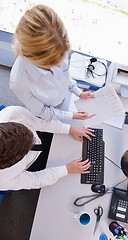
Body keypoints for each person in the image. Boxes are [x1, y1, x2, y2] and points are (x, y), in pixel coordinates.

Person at [10, 4, 95, 142]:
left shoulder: (58, 48)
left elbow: (66, 78)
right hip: (46, 116)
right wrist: (71, 116)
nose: (59, 65)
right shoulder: (19, 82)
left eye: (61, 59)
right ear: (34, 58)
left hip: (64, 103)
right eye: (51, 63)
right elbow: (43, 113)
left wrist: (78, 92)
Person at [0, 106, 91, 190]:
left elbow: (41, 123)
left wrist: (69, 129)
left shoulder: (12, 113)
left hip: (42, 133)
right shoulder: (2, 181)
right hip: (33, 163)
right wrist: (67, 169)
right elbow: (36, 180)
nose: (34, 140)